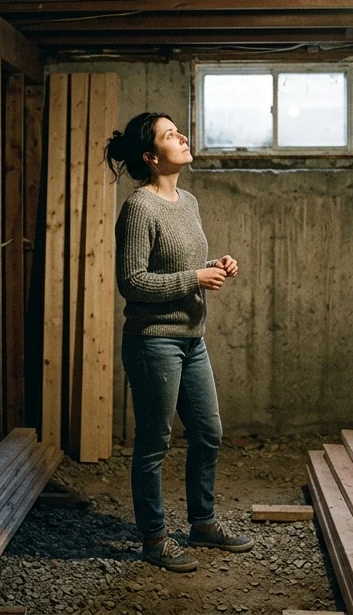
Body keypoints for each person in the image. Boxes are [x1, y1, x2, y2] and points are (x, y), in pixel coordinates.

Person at [104, 112, 253, 573]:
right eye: (170, 135)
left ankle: (202, 524)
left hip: (192, 339)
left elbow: (182, 263)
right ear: (151, 157)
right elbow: (132, 282)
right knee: (154, 442)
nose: (182, 137)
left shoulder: (187, 201)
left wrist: (216, 264)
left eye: (178, 131)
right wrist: (194, 278)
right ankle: (154, 538)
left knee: (208, 433)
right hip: (154, 343)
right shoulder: (139, 208)